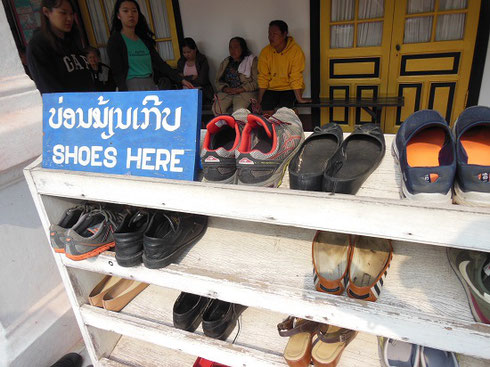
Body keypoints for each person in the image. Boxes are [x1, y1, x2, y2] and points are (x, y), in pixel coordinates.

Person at [107, 0, 193, 91]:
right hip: (130, 88)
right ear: (118, 15)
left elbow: (160, 64)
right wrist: (125, 94)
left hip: (150, 84)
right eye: (125, 11)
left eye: (134, 11)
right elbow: (117, 73)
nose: (130, 14)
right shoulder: (115, 40)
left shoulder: (144, 39)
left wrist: (181, 80)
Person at [26, 0, 94, 94]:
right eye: (63, 13)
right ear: (46, 12)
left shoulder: (72, 39)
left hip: (90, 103)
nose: (69, 18)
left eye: (71, 14)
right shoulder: (38, 46)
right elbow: (49, 89)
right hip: (66, 106)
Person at [258, 20, 311, 113]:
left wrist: (299, 98)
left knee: (286, 110)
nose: (271, 37)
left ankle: (290, 126)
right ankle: (271, 127)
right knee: (266, 107)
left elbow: (295, 76)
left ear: (284, 34)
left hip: (289, 88)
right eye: (269, 34)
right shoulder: (265, 52)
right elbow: (263, 77)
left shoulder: (296, 51)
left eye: (274, 34)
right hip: (272, 88)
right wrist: (259, 99)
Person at [212, 37, 258, 115]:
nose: (232, 50)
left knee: (238, 112)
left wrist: (241, 89)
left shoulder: (251, 61)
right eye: (230, 47)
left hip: (244, 93)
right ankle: (225, 126)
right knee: (217, 109)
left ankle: (237, 127)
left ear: (242, 48)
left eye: (236, 47)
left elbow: (257, 82)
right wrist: (224, 88)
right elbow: (217, 81)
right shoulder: (226, 62)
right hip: (227, 93)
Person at [177, 37, 214, 104]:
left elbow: (202, 80)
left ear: (195, 49)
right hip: (184, 92)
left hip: (200, 91)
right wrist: (191, 77)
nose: (187, 55)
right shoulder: (181, 62)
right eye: (184, 52)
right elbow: (178, 78)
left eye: (189, 52)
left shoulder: (202, 60)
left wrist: (185, 79)